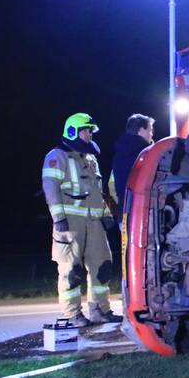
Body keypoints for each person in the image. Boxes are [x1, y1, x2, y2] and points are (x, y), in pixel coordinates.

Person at [42, 113, 119, 327]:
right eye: (86, 130)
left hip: (94, 224)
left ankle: (100, 310)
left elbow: (97, 192)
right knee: (71, 270)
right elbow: (51, 189)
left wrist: (106, 215)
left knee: (102, 267)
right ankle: (72, 315)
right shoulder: (57, 156)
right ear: (73, 131)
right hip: (70, 225)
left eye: (91, 131)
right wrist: (59, 219)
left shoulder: (90, 158)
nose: (90, 134)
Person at [108, 113, 155, 223]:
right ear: (141, 131)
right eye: (150, 130)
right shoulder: (147, 154)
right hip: (144, 216)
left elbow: (111, 186)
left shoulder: (119, 153)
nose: (151, 134)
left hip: (124, 215)